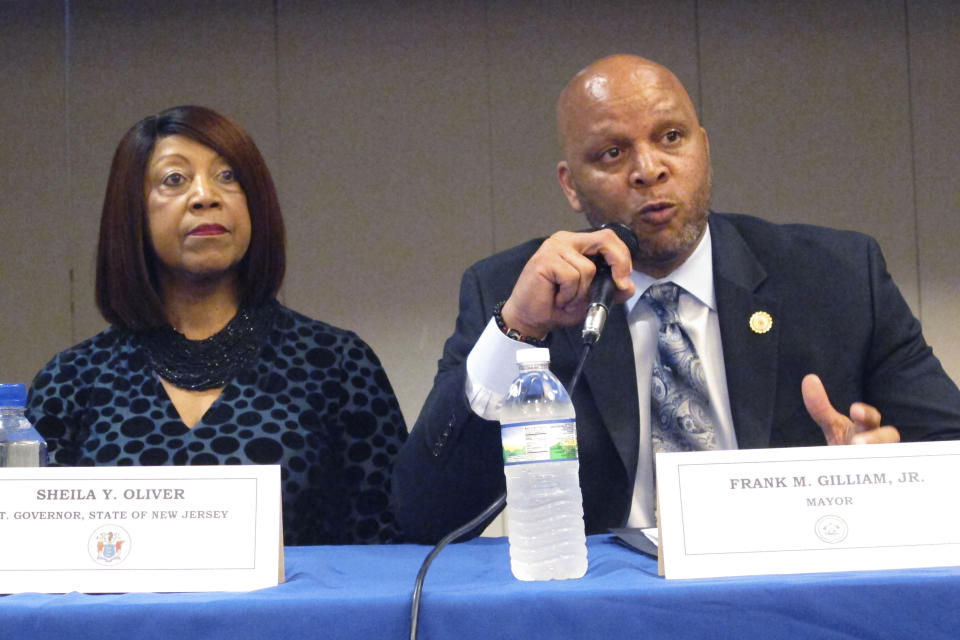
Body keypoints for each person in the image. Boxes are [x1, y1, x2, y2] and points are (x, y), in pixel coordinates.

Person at [392, 54, 960, 543]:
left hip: (791, 587)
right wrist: (515, 329)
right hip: (607, 611)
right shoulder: (520, 292)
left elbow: (949, 451)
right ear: (570, 184)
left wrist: (885, 474)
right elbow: (426, 516)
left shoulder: (833, 277)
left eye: (670, 138)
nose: (649, 170)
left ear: (704, 149)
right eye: (612, 154)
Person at [27, 105, 407, 546]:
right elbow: (32, 557)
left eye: (228, 177)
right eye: (175, 179)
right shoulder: (72, 381)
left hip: (294, 616)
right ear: (131, 212)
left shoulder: (336, 365)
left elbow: (389, 545)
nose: (206, 196)